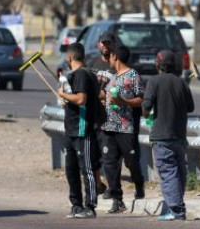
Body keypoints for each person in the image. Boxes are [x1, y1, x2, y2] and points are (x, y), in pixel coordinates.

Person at [142, 50, 195, 221]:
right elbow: (190, 107)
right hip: (179, 135)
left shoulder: (153, 81)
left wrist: (147, 113)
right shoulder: (181, 83)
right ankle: (178, 206)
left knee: (168, 173)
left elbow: (146, 107)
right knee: (179, 173)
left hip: (161, 136)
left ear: (157, 64)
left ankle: (176, 210)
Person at [56, 43, 101, 219]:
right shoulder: (74, 76)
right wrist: (66, 99)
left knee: (87, 169)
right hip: (71, 130)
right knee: (71, 169)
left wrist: (64, 95)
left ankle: (90, 206)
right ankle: (76, 205)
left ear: (70, 58)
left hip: (83, 129)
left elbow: (81, 99)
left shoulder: (82, 74)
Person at [101, 44, 146, 214]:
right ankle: (117, 199)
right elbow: (107, 98)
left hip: (126, 127)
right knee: (110, 163)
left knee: (131, 161)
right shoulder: (112, 77)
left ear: (116, 58)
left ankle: (139, 184)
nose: (109, 60)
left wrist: (124, 102)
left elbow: (141, 99)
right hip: (109, 126)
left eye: (111, 57)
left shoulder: (133, 76)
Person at [87, 31, 118, 198]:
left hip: (110, 115)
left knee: (108, 154)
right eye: (103, 43)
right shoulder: (92, 63)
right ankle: (98, 185)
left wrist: (103, 96)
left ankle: (112, 188)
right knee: (92, 154)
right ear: (98, 44)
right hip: (93, 115)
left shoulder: (116, 64)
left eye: (108, 43)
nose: (105, 46)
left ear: (113, 44)